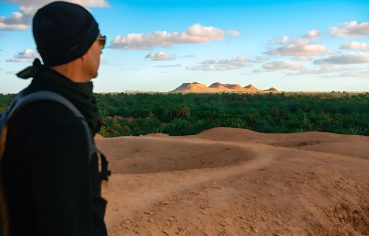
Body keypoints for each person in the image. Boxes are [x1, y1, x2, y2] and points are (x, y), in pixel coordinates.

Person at [1, 1, 108, 235]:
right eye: (100, 41)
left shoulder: (30, 100)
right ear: (80, 48)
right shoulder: (60, 123)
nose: (101, 49)